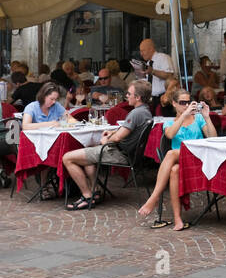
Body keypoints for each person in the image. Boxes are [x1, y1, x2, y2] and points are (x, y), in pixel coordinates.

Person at [61, 80, 154, 209]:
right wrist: (112, 133)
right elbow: (123, 132)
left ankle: (87, 196)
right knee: (87, 152)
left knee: (67, 158)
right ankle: (96, 191)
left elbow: (117, 138)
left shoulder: (136, 113)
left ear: (137, 97)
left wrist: (106, 140)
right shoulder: (145, 112)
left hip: (119, 154)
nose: (126, 96)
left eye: (129, 93)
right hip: (129, 154)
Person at [137, 90, 217, 229]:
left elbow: (213, 139)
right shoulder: (169, 123)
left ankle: (154, 197)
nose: (186, 105)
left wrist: (207, 117)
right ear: (174, 104)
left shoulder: (198, 119)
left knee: (170, 154)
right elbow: (169, 135)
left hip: (199, 159)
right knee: (174, 170)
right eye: (182, 103)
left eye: (188, 102)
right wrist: (184, 115)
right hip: (182, 162)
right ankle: (178, 219)